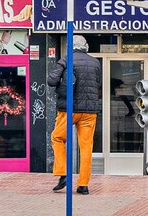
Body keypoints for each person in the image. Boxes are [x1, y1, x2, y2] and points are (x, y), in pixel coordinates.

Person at [47, 50, 103, 194]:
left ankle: (63, 173)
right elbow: (98, 84)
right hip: (89, 111)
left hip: (68, 109)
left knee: (57, 138)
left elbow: (52, 80)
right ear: (86, 47)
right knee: (86, 147)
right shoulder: (95, 62)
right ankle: (83, 185)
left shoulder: (66, 60)